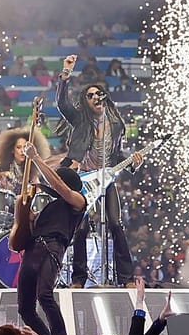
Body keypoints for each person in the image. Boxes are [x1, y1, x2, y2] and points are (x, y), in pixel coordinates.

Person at [54, 68, 135, 286]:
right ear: (86, 102)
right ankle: (78, 278)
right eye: (89, 95)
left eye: (97, 93)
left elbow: (117, 153)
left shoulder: (116, 125)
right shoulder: (81, 121)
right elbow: (63, 105)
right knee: (80, 228)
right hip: (84, 180)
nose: (95, 97)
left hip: (106, 180)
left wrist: (133, 162)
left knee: (116, 225)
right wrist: (65, 76)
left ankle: (126, 278)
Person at [17, 150, 88, 335]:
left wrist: (36, 158)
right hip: (33, 249)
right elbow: (31, 231)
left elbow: (60, 187)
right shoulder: (49, 207)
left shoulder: (78, 201)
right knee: (25, 308)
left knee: (44, 295)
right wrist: (29, 217)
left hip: (52, 247)